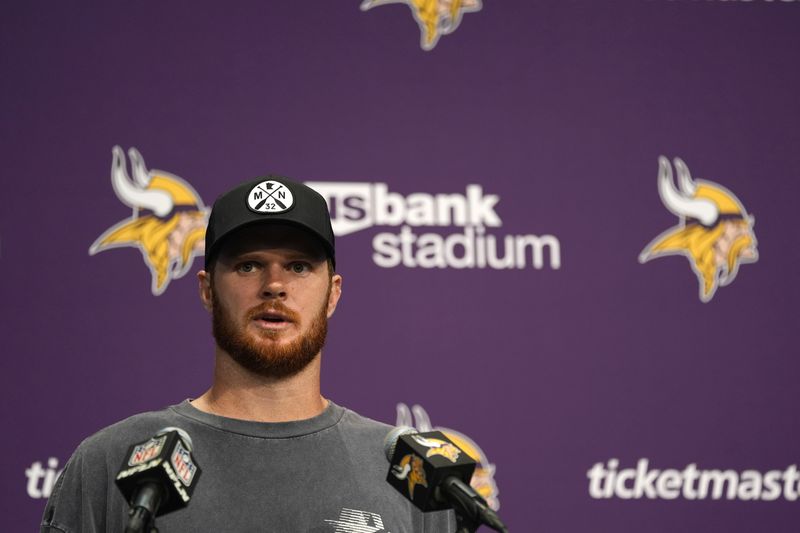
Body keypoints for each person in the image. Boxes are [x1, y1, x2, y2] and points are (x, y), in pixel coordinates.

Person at [41, 176, 455, 532]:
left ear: (333, 293)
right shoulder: (112, 461)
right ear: (207, 290)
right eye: (248, 266)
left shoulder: (410, 473)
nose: (274, 285)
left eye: (298, 267)